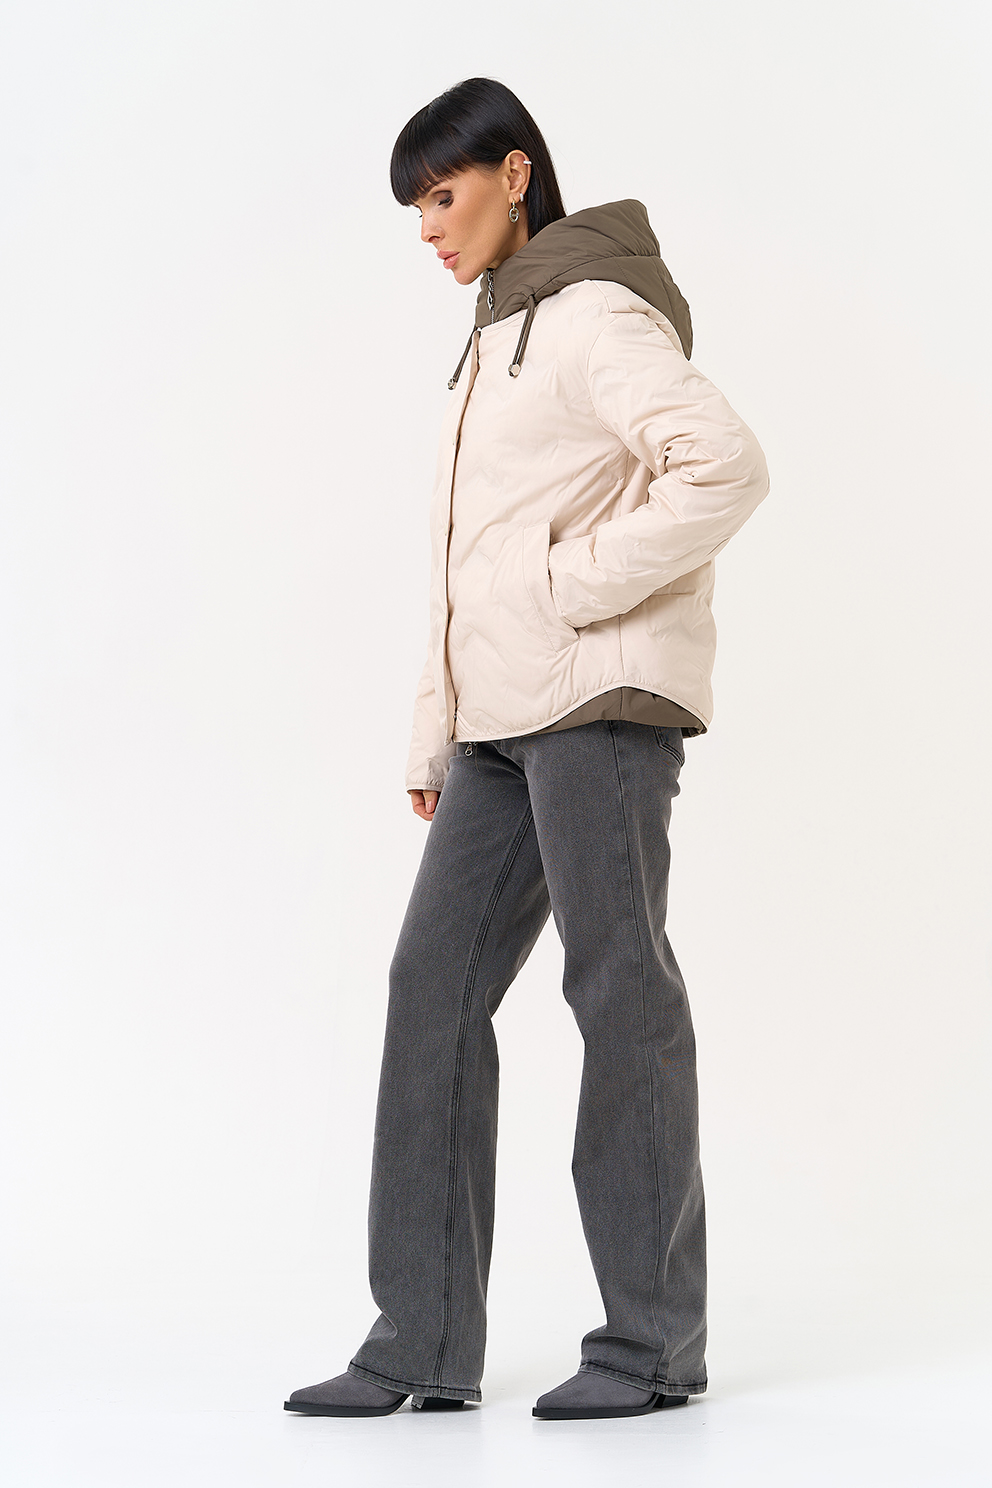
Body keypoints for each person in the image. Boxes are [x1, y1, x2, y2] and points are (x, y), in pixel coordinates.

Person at [285, 76, 769, 1423]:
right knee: (429, 990)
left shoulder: (593, 314)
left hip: (596, 705)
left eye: (443, 197)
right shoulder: (495, 335)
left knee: (618, 992)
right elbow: (468, 559)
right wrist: (436, 726)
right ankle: (420, 1343)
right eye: (415, 210)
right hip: (499, 723)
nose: (429, 230)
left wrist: (570, 587)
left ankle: (651, 1347)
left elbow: (725, 465)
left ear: (514, 174)